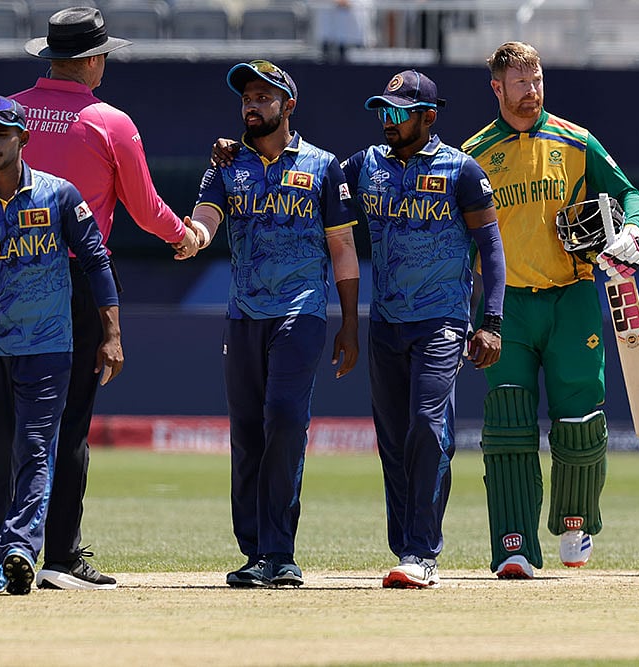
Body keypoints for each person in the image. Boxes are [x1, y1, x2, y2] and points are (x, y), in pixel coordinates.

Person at [0, 6, 200, 591]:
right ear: (89, 61)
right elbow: (144, 205)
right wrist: (183, 236)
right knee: (65, 422)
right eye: (104, 55)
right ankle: (56, 554)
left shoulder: (4, 115)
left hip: (1, 273)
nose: (105, 64)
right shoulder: (110, 122)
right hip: (75, 280)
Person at [461, 42, 639, 580]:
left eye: (538, 80)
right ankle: (512, 545)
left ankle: (576, 521)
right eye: (520, 83)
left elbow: (629, 193)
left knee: (581, 420)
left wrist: (633, 229)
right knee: (508, 425)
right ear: (497, 88)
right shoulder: (472, 155)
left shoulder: (576, 140)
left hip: (572, 296)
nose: (532, 92)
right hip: (507, 306)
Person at [185, 59, 359, 588]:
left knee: (284, 418)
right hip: (243, 315)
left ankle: (279, 553)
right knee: (246, 432)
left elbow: (343, 247)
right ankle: (256, 549)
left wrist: (348, 324)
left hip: (301, 312)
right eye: (246, 98)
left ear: (289, 104)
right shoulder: (227, 164)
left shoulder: (325, 166)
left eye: (264, 97)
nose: (252, 105)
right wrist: (189, 236)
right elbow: (207, 219)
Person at [0, 96, 122, 594]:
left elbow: (96, 263)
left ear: (24, 138)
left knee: (36, 448)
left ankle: (18, 547)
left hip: (48, 347)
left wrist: (111, 334)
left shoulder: (60, 196)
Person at [341, 70, 505, 589]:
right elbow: (311, 176)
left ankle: (422, 551)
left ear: (428, 117)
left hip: (443, 321)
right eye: (383, 112)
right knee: (392, 438)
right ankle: (405, 546)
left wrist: (492, 321)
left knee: (427, 428)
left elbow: (491, 250)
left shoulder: (462, 171)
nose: (387, 121)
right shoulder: (365, 166)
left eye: (399, 112)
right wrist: (239, 154)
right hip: (385, 321)